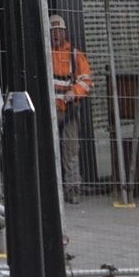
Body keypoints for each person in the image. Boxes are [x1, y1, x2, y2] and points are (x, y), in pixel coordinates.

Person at [49, 14, 92, 202]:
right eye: (52, 31)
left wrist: (74, 92)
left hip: (68, 112)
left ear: (64, 32)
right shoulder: (43, 53)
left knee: (70, 150)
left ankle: (72, 189)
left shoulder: (75, 55)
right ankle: (51, 190)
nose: (56, 34)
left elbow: (86, 81)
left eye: (59, 30)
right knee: (48, 151)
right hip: (49, 112)